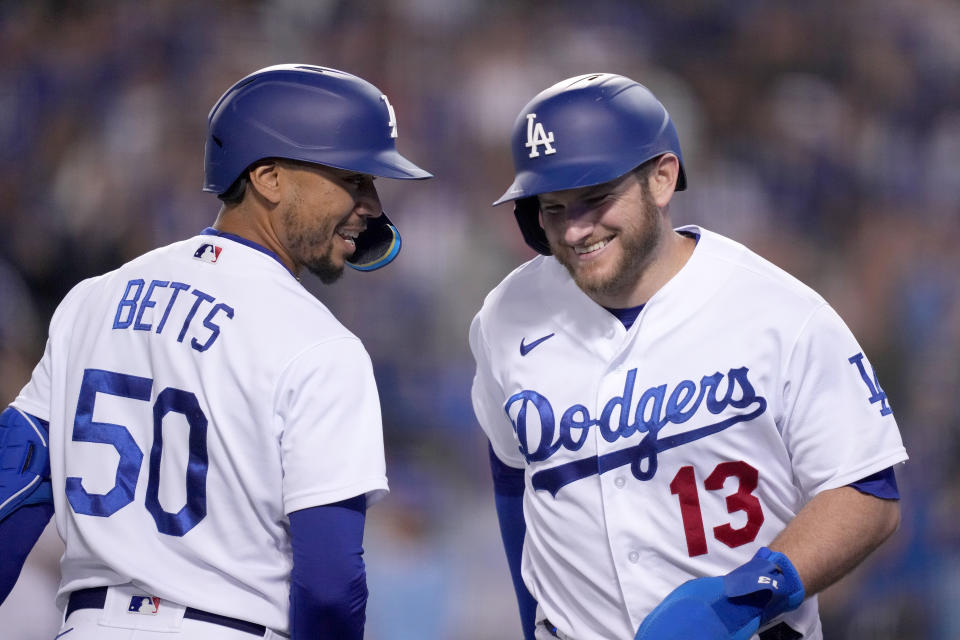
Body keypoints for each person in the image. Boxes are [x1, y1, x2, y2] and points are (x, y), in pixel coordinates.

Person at [0, 64, 432, 640]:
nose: (374, 205)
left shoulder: (93, 300)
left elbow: (14, 494)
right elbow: (329, 587)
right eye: (354, 179)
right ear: (270, 178)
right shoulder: (322, 346)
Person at [469, 73, 907, 640]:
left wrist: (742, 597)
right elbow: (513, 479)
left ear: (662, 177)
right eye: (553, 208)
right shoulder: (506, 315)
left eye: (596, 198)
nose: (576, 230)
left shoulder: (779, 311)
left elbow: (868, 492)